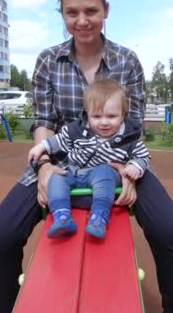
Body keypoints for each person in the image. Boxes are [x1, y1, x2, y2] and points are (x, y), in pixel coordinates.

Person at [0, 0, 173, 312]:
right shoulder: (49, 61)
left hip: (117, 160)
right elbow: (45, 122)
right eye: (72, 12)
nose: (82, 21)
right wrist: (45, 167)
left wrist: (128, 171)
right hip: (64, 160)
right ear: (62, 14)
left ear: (106, 11)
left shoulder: (126, 61)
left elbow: (135, 124)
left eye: (91, 11)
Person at [28, 79, 150, 239]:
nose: (104, 122)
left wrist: (135, 166)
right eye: (97, 116)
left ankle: (98, 218)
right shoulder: (77, 131)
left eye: (111, 116)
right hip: (76, 179)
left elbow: (143, 155)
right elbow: (60, 140)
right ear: (87, 114)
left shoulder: (128, 139)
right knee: (57, 176)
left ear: (123, 116)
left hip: (103, 189)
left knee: (104, 170)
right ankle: (62, 217)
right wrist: (42, 146)